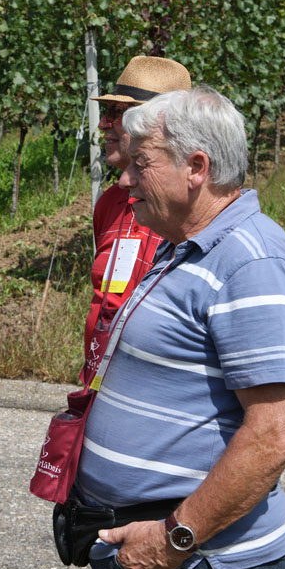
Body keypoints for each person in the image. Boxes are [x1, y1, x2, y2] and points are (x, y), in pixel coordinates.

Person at [71, 86, 285, 569]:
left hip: (200, 561)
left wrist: (171, 541)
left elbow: (276, 434)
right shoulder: (184, 244)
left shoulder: (253, 266)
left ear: (196, 167)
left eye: (141, 164)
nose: (125, 179)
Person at [83, 56, 191, 381]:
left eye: (117, 113)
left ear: (157, 124)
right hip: (100, 387)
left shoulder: (189, 210)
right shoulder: (109, 204)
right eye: (107, 111)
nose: (103, 124)